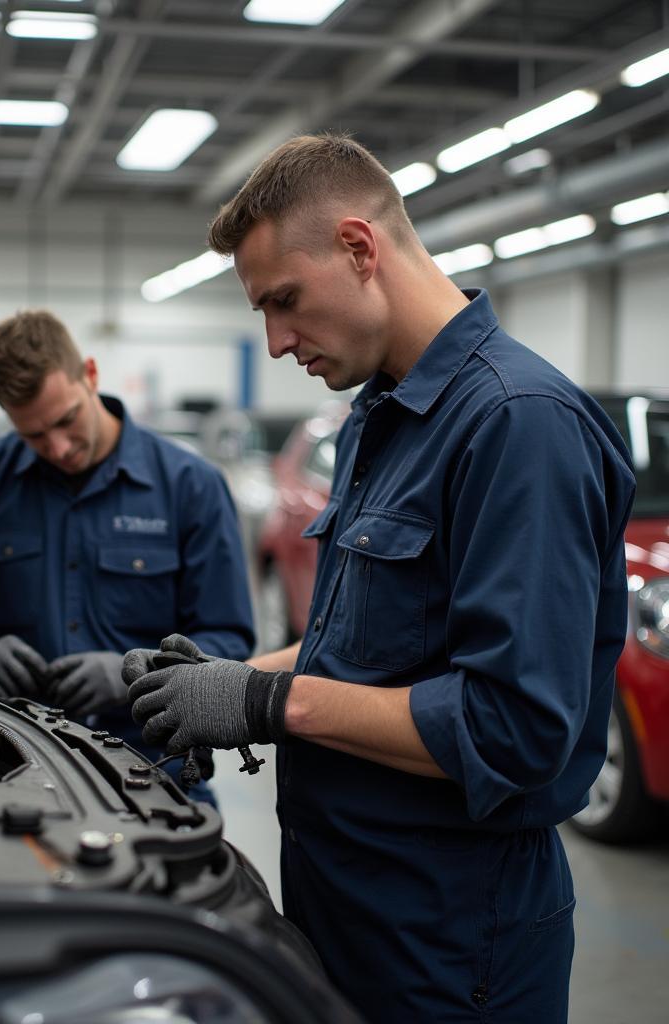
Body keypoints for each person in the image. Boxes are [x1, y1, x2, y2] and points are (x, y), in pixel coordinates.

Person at [122, 134, 636, 1021]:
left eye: (284, 301)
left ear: (360, 248)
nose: (277, 342)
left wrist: (264, 706)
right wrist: (224, 681)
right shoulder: (378, 419)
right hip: (346, 910)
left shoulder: (519, 426)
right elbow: (360, 648)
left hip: (448, 937)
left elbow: (512, 728)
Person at [0, 309, 254, 794]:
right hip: (20, 764)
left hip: (156, 771)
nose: (58, 447)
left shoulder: (190, 486)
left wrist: (138, 672)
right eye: (34, 435)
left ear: (91, 376)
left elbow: (228, 639)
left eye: (66, 420)